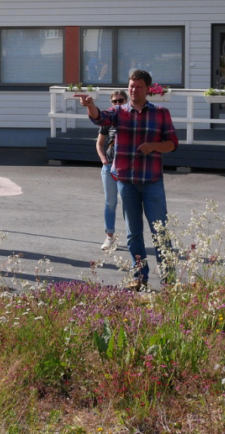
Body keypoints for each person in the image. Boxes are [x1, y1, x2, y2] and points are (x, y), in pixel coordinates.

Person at [77, 69, 178, 290]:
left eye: (138, 86)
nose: (133, 90)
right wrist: (90, 106)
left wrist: (154, 146)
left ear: (148, 89)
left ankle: (169, 281)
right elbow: (100, 117)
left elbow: (172, 143)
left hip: (152, 182)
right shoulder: (119, 111)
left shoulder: (161, 113)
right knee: (134, 234)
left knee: (160, 233)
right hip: (126, 182)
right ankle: (139, 277)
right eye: (131, 86)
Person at [96, 90, 127, 250]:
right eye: (114, 101)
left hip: (127, 167)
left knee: (129, 203)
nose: (117, 104)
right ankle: (109, 236)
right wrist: (104, 162)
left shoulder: (132, 118)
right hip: (109, 166)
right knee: (110, 203)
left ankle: (132, 236)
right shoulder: (108, 121)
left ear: (126, 101)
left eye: (120, 100)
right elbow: (99, 144)